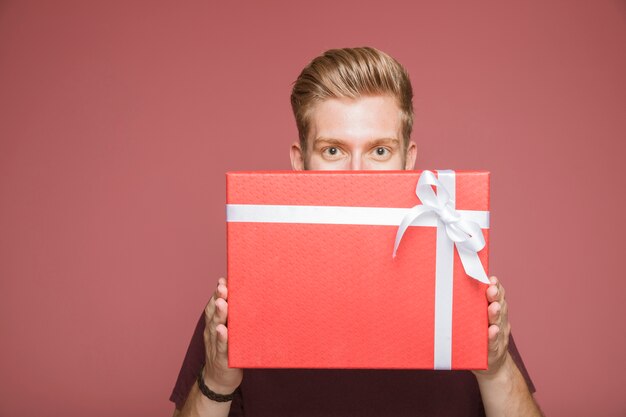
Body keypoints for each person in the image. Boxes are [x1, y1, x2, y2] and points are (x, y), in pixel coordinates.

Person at [170, 47, 544, 417]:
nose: (356, 173)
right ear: (299, 162)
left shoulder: (455, 284)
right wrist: (217, 383)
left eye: (380, 151)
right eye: (333, 151)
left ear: (408, 161)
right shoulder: (246, 298)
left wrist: (495, 371)